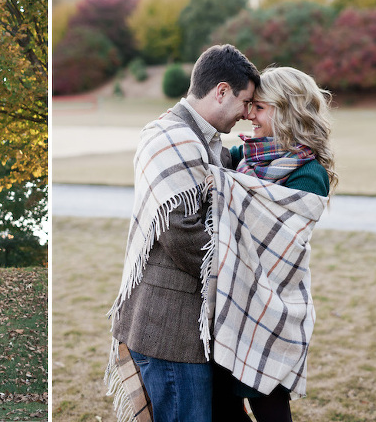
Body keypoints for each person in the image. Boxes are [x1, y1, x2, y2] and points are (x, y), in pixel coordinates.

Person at [105, 44, 260, 422]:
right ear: (221, 91)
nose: (246, 113)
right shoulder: (169, 136)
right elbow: (183, 234)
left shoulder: (205, 140)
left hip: (190, 327)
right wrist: (247, 272)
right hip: (167, 329)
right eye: (245, 102)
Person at [212, 66, 338, 422]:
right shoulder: (246, 155)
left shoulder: (309, 174)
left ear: (286, 111)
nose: (249, 114)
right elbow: (205, 161)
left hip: (274, 308)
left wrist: (227, 191)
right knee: (221, 407)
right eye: (250, 105)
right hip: (231, 302)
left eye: (259, 107)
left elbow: (272, 240)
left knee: (270, 410)